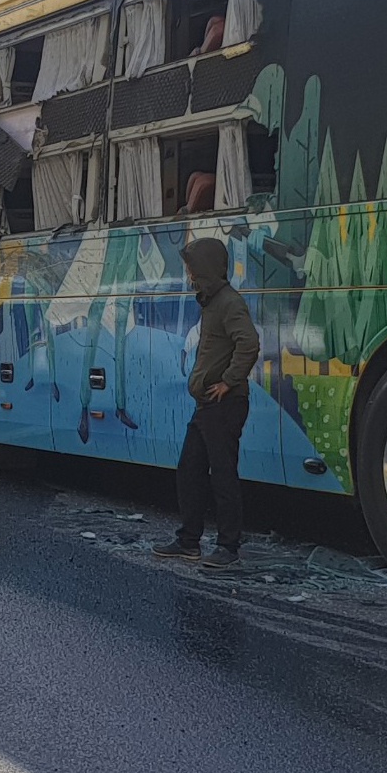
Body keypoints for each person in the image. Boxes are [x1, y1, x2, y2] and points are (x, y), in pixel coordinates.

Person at [153, 237, 259, 569]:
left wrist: (228, 381)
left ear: (206, 270)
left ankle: (228, 547)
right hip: (207, 406)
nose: (188, 275)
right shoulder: (212, 302)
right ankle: (189, 541)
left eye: (192, 269)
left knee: (223, 474)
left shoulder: (229, 303)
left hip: (224, 406)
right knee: (189, 469)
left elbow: (250, 343)